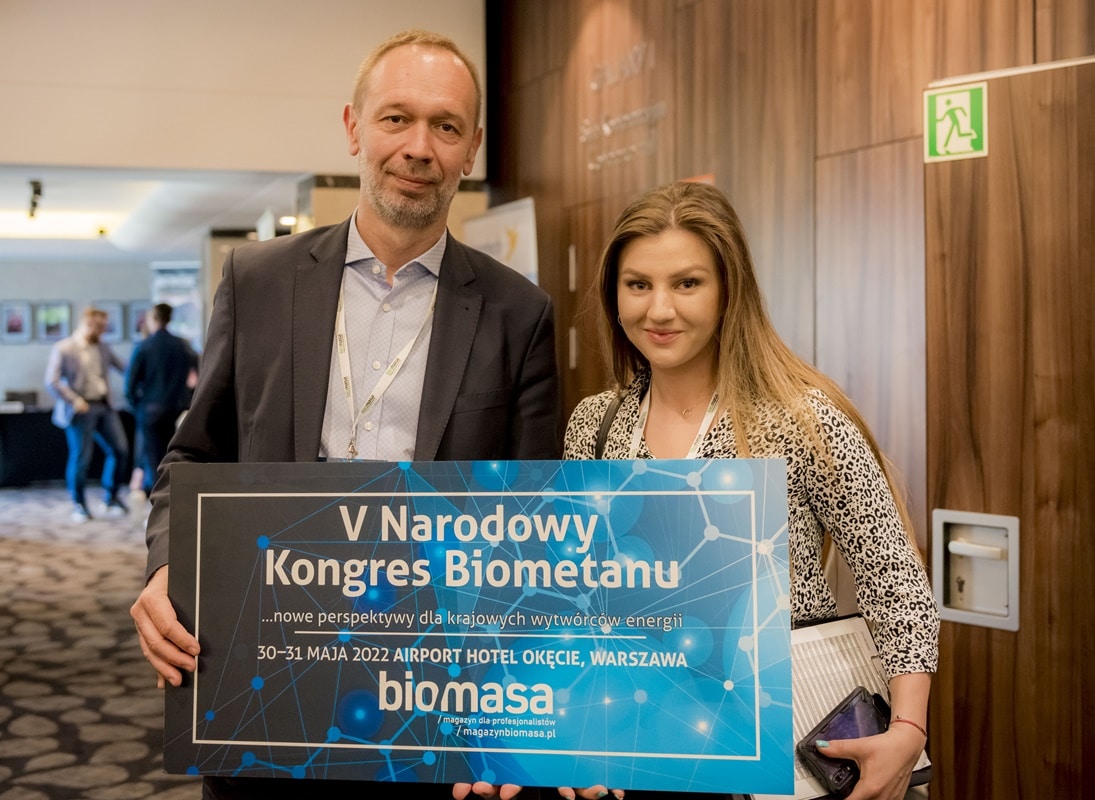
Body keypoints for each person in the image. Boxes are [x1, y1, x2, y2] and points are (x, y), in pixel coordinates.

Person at [129, 29, 560, 799]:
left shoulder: (517, 313)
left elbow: (529, 510)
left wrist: (516, 712)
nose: (418, 147)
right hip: (263, 674)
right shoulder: (257, 281)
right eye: (396, 118)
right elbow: (192, 455)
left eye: (446, 125)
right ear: (354, 127)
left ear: (471, 148)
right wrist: (166, 567)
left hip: (431, 703)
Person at [558, 181, 940, 800]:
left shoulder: (799, 418)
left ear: (728, 290)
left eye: (687, 283)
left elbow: (894, 580)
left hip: (784, 756)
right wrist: (580, 737)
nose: (659, 309)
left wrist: (908, 729)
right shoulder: (594, 426)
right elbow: (585, 600)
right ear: (613, 294)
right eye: (638, 284)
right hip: (649, 752)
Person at [45, 305, 130, 522]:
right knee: (82, 457)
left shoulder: (103, 347)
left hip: (104, 406)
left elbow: (125, 368)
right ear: (88, 323)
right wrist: (74, 400)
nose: (103, 331)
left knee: (120, 450)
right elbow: (52, 381)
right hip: (80, 409)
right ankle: (79, 504)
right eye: (100, 327)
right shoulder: (64, 348)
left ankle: (111, 497)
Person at [124, 302, 199, 500]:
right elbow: (198, 374)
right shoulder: (183, 345)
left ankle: (158, 500)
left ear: (154, 318)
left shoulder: (144, 346)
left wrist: (137, 406)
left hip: (150, 408)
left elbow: (129, 384)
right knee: (169, 453)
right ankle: (170, 497)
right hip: (176, 408)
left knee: (151, 456)